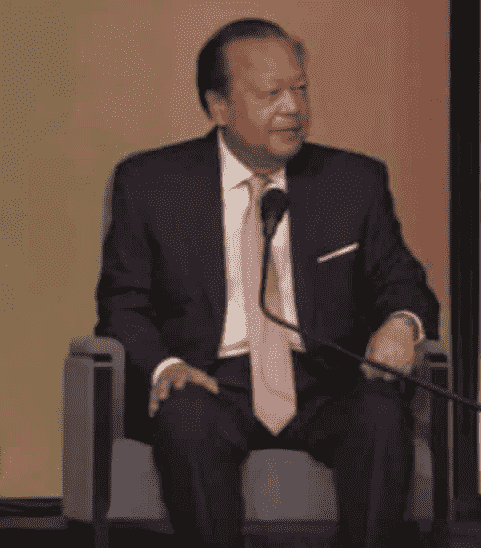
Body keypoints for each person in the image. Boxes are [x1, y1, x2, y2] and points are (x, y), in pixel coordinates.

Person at [95, 18, 439, 548]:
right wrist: (167, 367)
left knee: (381, 413)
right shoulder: (151, 184)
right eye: (271, 93)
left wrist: (401, 323)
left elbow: (404, 282)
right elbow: (123, 305)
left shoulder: (353, 181)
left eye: (301, 89)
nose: (293, 108)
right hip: (209, 380)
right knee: (186, 416)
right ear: (219, 106)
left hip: (325, 382)